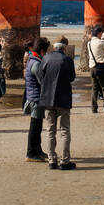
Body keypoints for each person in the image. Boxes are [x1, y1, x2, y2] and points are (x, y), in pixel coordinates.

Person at [39, 41, 76, 170]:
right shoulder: (67, 60)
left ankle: (51, 160)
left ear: (53, 48)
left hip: (48, 99)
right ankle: (65, 161)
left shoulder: (45, 58)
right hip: (63, 98)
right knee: (65, 130)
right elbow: (72, 77)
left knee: (50, 130)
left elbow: (41, 76)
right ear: (64, 49)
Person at [24, 37, 48, 161]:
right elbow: (42, 81)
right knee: (35, 126)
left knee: (37, 125)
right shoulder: (36, 63)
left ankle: (37, 150)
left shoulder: (32, 59)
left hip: (34, 95)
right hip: (36, 97)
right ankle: (31, 153)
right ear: (42, 50)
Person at [87, 30, 104, 113]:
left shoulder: (89, 43)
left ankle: (94, 108)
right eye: (101, 34)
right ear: (99, 34)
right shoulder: (100, 42)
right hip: (101, 66)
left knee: (94, 89)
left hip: (92, 67)